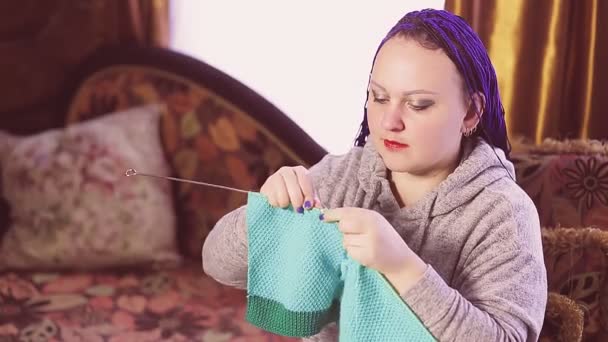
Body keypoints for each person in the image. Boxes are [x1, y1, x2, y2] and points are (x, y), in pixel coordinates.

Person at [202, 8, 547, 342]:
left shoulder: (504, 214)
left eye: (418, 104)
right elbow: (215, 263)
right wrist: (265, 215)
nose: (388, 122)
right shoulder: (343, 175)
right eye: (379, 97)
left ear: (471, 112)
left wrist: (402, 268)